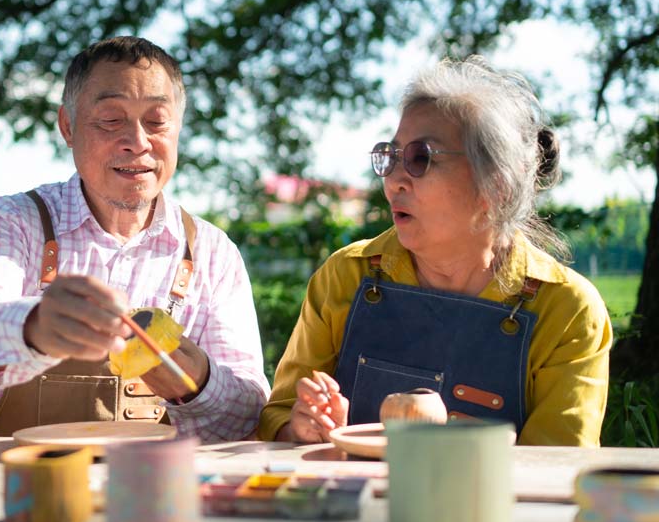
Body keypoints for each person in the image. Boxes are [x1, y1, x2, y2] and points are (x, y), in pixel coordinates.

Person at [256, 57, 611, 446]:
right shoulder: (347, 276)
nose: (393, 181)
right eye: (390, 156)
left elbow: (556, 465)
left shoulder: (566, 310)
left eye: (420, 158)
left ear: (496, 188)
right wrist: (302, 428)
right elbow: (277, 414)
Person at [0, 36, 269, 442]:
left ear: (178, 128)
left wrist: (198, 382)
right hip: (16, 488)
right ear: (68, 127)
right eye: (111, 119)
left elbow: (250, 413)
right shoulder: (16, 221)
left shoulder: (213, 253)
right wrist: (34, 326)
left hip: (150, 491)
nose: (138, 141)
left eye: (157, 121)